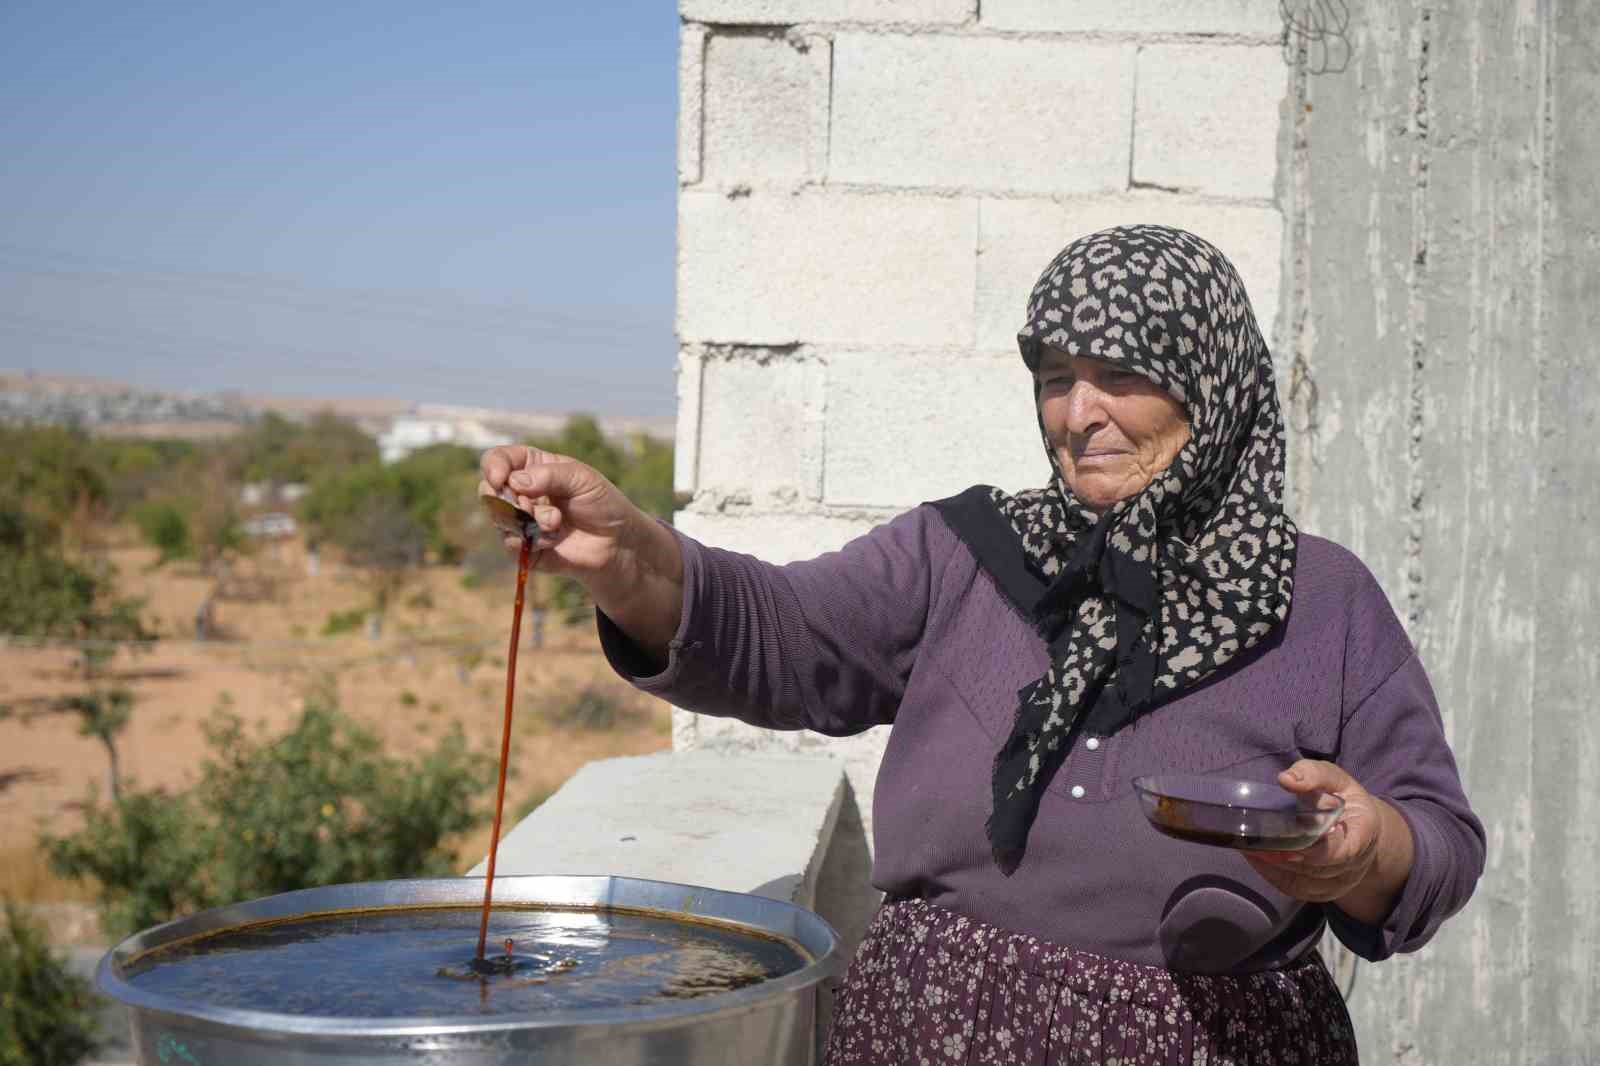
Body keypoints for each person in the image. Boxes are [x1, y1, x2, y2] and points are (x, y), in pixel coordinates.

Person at [478, 225, 1484, 1064]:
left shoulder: (1321, 600)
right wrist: (626, 557)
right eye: (1055, 376)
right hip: (936, 1029)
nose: (1077, 413)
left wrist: (1359, 851)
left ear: (1208, 384)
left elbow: (1435, 839)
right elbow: (781, 635)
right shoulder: (965, 552)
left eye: (1120, 375)